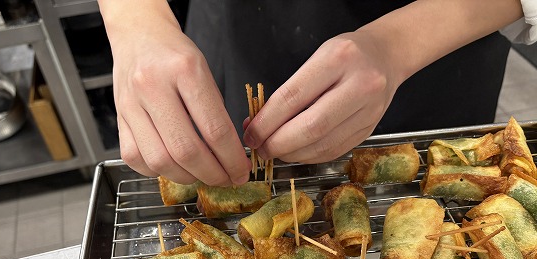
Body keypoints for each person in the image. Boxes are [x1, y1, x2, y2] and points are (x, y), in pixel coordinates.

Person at [97, 0, 537, 187]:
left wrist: (396, 45)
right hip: (243, 26)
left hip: (439, 43)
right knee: (236, 158)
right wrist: (137, 25)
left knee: (438, 185)